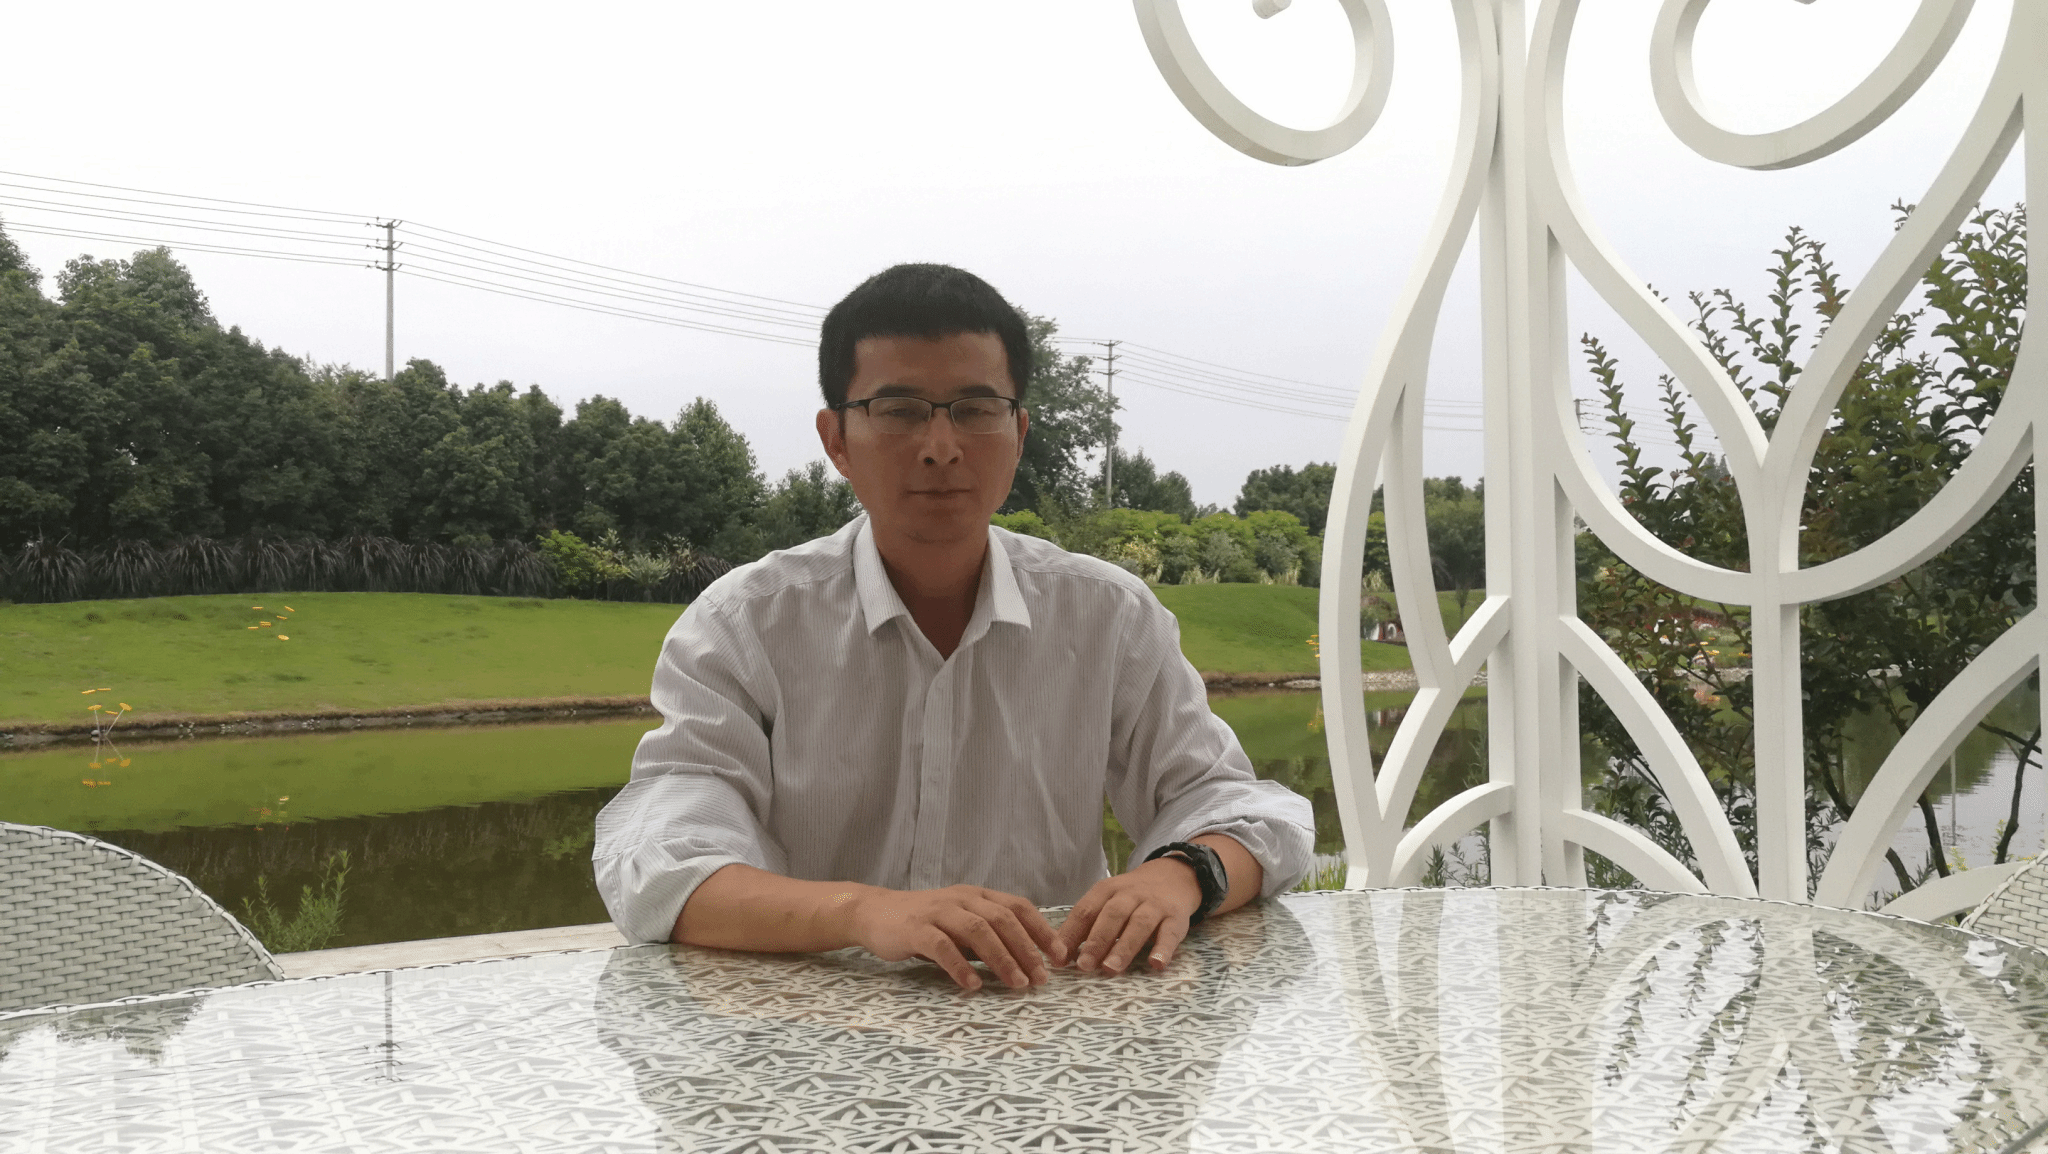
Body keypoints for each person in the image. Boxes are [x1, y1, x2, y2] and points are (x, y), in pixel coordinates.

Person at [593, 263, 1313, 991]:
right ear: (836, 438)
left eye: (975, 409)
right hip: (823, 1022)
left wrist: (1181, 874)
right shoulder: (744, 625)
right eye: (899, 410)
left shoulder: (1108, 618)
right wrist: (862, 912)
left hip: (1049, 1019)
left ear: (1018, 432)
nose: (941, 445)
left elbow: (1242, 808)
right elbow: (658, 863)